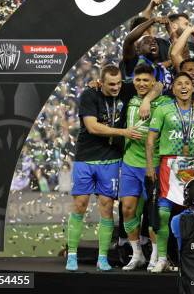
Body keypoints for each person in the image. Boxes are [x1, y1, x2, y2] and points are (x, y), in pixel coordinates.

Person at [66, 65, 141, 272]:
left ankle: (102, 258)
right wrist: (123, 132)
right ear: (101, 82)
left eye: (118, 83)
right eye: (111, 84)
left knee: (107, 207)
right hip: (86, 158)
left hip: (111, 159)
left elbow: (157, 85)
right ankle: (71, 255)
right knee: (80, 205)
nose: (116, 87)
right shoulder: (89, 95)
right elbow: (92, 126)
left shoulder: (126, 89)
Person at [146, 72, 194, 272]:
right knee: (163, 214)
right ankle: (162, 258)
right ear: (172, 89)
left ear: (193, 88)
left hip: (193, 164)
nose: (183, 87)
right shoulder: (163, 110)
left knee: (193, 214)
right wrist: (150, 166)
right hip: (169, 164)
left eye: (187, 83)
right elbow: (150, 140)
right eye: (179, 84)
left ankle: (188, 260)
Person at [120, 64, 171, 271]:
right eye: (138, 80)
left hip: (154, 164)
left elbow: (160, 85)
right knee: (128, 209)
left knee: (153, 215)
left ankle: (156, 256)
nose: (141, 84)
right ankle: (137, 254)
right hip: (130, 163)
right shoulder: (129, 98)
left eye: (145, 81)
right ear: (133, 81)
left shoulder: (165, 101)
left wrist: (149, 99)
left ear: (152, 82)